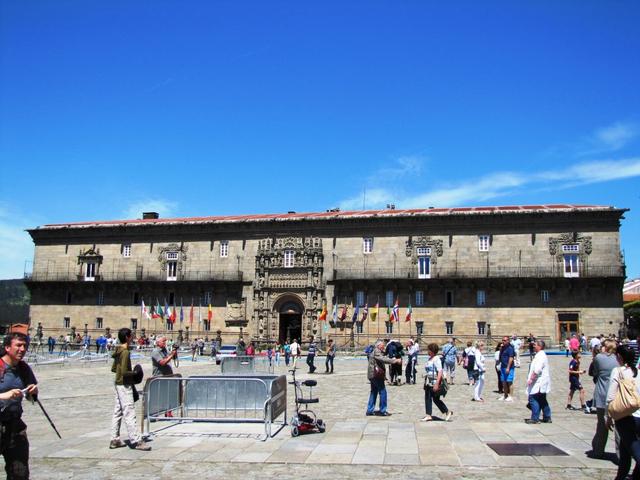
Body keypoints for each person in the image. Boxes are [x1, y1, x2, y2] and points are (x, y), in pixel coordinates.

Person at [0, 332, 39, 479]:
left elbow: (32, 398)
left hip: (14, 426)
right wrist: (4, 395)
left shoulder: (23, 368)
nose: (22, 349)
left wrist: (33, 392)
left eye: (25, 346)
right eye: (18, 345)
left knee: (19, 473)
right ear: (7, 347)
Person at [110, 328, 150, 451]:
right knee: (129, 411)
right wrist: (135, 373)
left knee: (118, 411)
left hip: (118, 383)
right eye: (131, 336)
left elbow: (114, 369)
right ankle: (136, 441)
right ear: (127, 337)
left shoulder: (118, 350)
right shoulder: (126, 352)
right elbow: (123, 371)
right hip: (125, 384)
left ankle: (114, 439)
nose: (132, 338)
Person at [606, 344, 640, 480]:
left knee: (635, 451)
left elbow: (610, 397)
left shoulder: (618, 371)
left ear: (619, 357)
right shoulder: (637, 372)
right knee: (625, 452)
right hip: (639, 415)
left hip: (625, 416)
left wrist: (608, 417)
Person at [589, 339, 619, 459]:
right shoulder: (618, 359)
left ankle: (598, 450)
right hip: (617, 395)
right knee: (619, 427)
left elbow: (594, 372)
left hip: (602, 394)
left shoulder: (599, 358)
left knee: (602, 425)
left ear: (605, 347)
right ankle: (621, 455)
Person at [366, 340, 401, 416]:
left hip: (373, 375)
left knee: (374, 392)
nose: (384, 347)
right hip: (376, 376)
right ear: (378, 346)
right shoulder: (377, 351)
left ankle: (370, 410)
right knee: (383, 392)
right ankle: (382, 410)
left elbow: (380, 363)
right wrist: (395, 360)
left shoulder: (376, 351)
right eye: (382, 345)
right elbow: (383, 360)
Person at [422, 343, 452, 422]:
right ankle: (430, 414)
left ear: (432, 351)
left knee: (433, 398)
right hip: (428, 382)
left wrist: (437, 383)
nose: (427, 351)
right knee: (430, 398)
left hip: (434, 382)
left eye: (428, 350)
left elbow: (440, 371)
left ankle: (446, 412)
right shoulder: (430, 359)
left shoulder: (436, 359)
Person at [525, 339, 551, 424]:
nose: (533, 346)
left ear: (539, 346)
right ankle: (547, 417)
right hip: (541, 381)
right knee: (542, 399)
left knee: (533, 398)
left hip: (538, 382)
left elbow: (537, 370)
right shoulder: (540, 355)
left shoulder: (540, 356)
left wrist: (531, 379)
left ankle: (535, 418)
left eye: (535, 345)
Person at [499, 336, 515, 402]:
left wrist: (508, 367)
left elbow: (511, 358)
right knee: (504, 381)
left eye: (505, 340)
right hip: (502, 366)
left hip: (509, 367)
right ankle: (505, 395)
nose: (503, 341)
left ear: (508, 341)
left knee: (509, 381)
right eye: (503, 340)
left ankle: (511, 396)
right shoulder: (502, 348)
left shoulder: (510, 348)